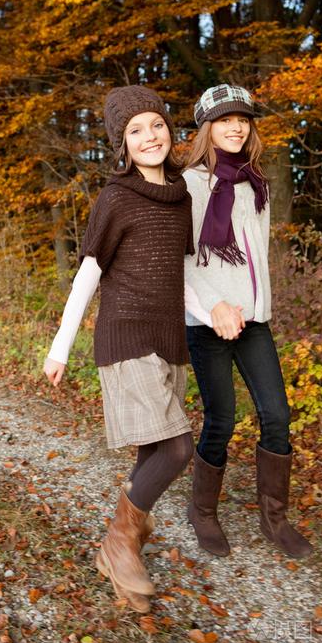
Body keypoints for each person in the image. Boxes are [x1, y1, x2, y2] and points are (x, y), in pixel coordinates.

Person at [44, 85, 208, 613]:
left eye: (155, 124)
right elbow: (87, 275)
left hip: (169, 338)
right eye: (134, 130)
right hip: (125, 334)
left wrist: (215, 316)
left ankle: (126, 546)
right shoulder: (116, 198)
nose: (149, 136)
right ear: (122, 145)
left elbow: (181, 280)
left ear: (169, 129)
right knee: (179, 447)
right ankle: (119, 541)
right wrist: (60, 348)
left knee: (153, 450)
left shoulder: (182, 197)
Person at [183, 84, 313, 559]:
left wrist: (254, 307)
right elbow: (184, 261)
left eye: (242, 118)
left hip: (254, 321)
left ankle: (274, 518)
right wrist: (216, 306)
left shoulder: (257, 183)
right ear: (207, 128)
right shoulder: (191, 185)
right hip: (208, 322)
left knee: (277, 415)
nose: (236, 126)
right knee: (222, 420)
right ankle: (203, 513)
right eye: (224, 119)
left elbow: (255, 257)